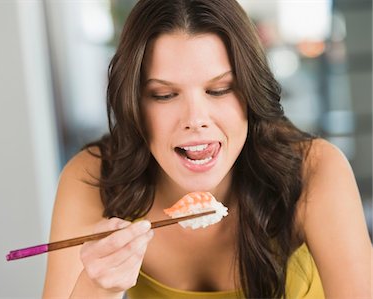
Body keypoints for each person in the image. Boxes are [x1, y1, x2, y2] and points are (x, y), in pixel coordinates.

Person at [43, 0, 372, 298]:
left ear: (250, 94)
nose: (195, 119)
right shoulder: (93, 177)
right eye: (164, 95)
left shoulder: (315, 169)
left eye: (219, 90)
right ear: (133, 105)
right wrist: (96, 287)